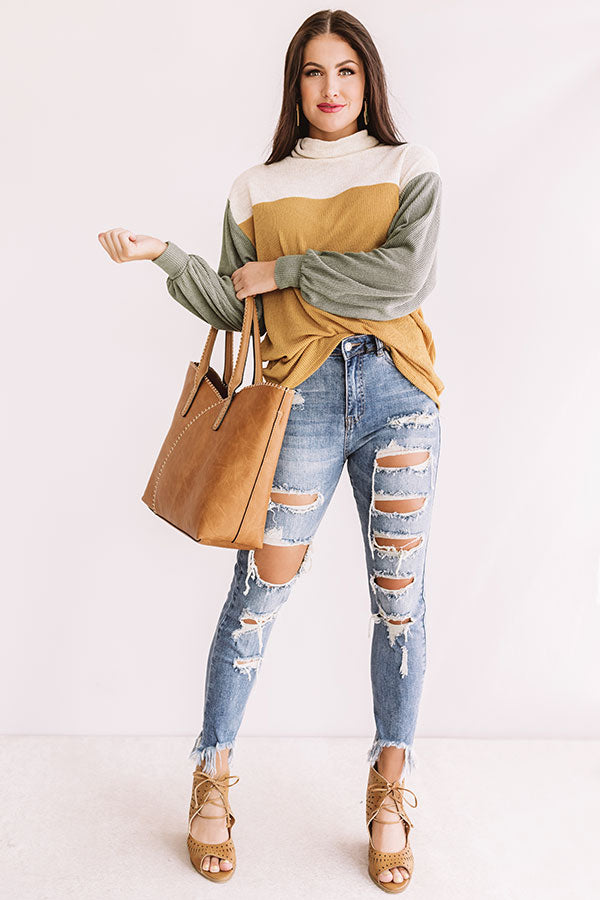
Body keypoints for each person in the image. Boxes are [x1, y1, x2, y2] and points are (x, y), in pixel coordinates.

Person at [98, 8, 443, 892]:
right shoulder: (255, 188)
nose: (331, 88)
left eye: (346, 71)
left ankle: (389, 789)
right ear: (295, 86)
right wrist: (165, 256)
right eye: (313, 72)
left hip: (399, 397)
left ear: (368, 81)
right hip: (300, 399)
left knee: (398, 603)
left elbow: (404, 278)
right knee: (257, 594)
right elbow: (235, 304)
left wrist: (290, 270)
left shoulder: (408, 168)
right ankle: (211, 774)